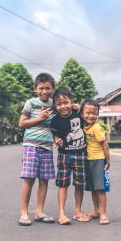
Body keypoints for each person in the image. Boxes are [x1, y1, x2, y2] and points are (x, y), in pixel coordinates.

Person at [18, 73, 56, 226]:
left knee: (44, 180)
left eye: (48, 88)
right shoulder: (31, 103)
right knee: (29, 179)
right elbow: (22, 123)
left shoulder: (54, 105)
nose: (44, 91)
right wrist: (40, 118)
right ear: (35, 89)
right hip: (31, 145)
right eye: (41, 88)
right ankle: (24, 212)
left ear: (53, 88)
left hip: (47, 146)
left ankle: (39, 212)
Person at [51, 87, 90, 225]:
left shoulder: (78, 114)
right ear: (55, 106)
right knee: (63, 184)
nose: (63, 106)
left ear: (71, 102)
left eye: (66, 102)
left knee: (79, 184)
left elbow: (91, 116)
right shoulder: (55, 121)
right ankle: (61, 213)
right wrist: (56, 139)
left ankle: (78, 211)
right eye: (59, 104)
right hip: (64, 155)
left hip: (80, 154)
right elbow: (54, 134)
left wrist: (80, 108)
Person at [81, 99, 111, 225]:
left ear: (98, 114)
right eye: (88, 112)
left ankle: (103, 214)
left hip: (98, 160)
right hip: (88, 160)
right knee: (93, 188)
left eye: (94, 113)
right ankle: (96, 211)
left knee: (100, 188)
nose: (91, 115)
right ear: (82, 113)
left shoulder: (97, 128)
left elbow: (105, 145)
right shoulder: (85, 126)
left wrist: (107, 160)